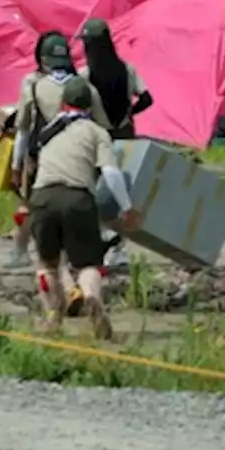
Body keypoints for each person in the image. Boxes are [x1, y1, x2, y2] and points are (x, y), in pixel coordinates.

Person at [28, 76, 141, 339]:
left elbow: (30, 159)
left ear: (63, 102)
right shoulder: (97, 132)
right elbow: (111, 173)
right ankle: (91, 297)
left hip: (42, 196)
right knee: (88, 263)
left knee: (47, 264)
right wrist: (127, 207)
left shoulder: (49, 130)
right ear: (90, 105)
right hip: (78, 198)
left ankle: (52, 318)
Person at [1, 31, 109, 270]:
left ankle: (20, 251)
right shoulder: (84, 86)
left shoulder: (33, 84)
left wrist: (16, 166)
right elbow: (102, 124)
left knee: (28, 205)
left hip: (41, 156)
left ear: (42, 58)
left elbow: (24, 130)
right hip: (79, 156)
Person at [78, 17, 154, 269]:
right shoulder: (126, 69)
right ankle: (118, 248)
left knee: (94, 190)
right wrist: (130, 112)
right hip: (125, 135)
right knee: (121, 191)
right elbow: (147, 98)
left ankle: (101, 237)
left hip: (97, 137)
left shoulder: (85, 75)